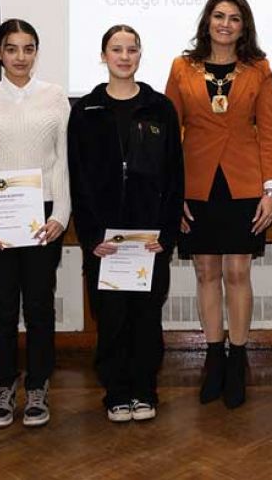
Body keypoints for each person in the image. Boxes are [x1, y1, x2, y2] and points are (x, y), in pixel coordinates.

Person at [164, 0, 272, 409]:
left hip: (243, 183)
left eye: (234, 18)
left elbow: (268, 130)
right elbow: (166, 132)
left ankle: (238, 359)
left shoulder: (259, 68)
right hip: (195, 183)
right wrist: (170, 193)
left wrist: (271, 190)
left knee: (237, 272)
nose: (226, 24)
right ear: (207, 21)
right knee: (204, 272)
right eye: (219, 16)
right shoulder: (182, 67)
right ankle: (213, 357)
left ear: (243, 26)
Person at [0, 19, 69, 428]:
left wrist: (59, 216)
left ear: (37, 52)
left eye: (29, 48)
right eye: (12, 48)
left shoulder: (55, 98)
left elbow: (64, 163)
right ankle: (3, 386)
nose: (21, 57)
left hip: (44, 219)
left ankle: (38, 386)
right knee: (2, 306)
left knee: (39, 306)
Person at [69, 24, 183, 423]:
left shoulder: (160, 107)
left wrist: (166, 236)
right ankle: (116, 392)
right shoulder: (85, 110)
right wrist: (90, 238)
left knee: (146, 319)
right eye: (115, 49)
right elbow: (77, 178)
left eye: (131, 49)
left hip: (148, 239)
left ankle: (144, 391)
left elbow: (175, 177)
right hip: (105, 242)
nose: (123, 56)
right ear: (103, 56)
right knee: (112, 319)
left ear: (139, 55)